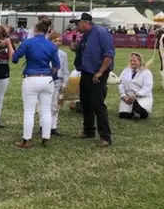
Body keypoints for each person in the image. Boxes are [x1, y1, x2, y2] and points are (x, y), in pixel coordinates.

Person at [11, 18, 60, 148]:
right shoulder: (51, 45)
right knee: (45, 110)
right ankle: (46, 137)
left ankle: (26, 140)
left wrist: (10, 46)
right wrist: (51, 75)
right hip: (47, 78)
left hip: (31, 77)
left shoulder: (28, 43)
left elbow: (15, 59)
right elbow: (56, 66)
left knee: (29, 111)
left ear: (35, 30)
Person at [70, 13, 115, 147]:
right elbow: (86, 53)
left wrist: (100, 71)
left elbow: (109, 53)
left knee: (98, 104)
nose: (76, 27)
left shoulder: (101, 33)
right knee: (85, 102)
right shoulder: (85, 36)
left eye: (77, 23)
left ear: (85, 22)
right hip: (85, 72)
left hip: (97, 73)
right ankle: (88, 130)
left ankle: (105, 136)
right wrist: (75, 49)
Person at [45, 32, 70, 136]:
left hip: (57, 81)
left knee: (55, 104)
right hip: (46, 79)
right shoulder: (45, 52)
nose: (58, 43)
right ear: (50, 41)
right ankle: (44, 125)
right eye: (55, 41)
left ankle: (53, 126)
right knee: (45, 103)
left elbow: (65, 70)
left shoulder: (63, 54)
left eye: (59, 41)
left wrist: (64, 84)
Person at [118, 52, 153, 119]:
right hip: (127, 97)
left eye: (134, 61)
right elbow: (120, 83)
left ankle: (144, 112)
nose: (132, 62)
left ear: (140, 61)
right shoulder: (126, 70)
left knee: (139, 109)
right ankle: (130, 110)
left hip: (142, 97)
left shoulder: (146, 72)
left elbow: (148, 87)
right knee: (124, 115)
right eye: (131, 61)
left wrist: (136, 95)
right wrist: (123, 96)